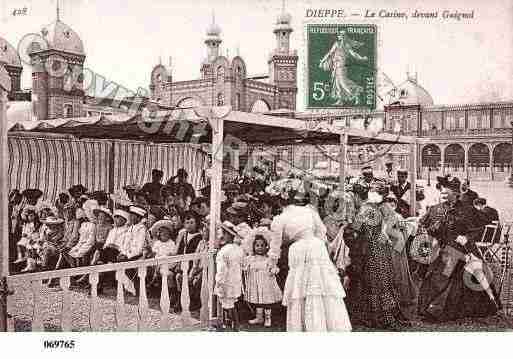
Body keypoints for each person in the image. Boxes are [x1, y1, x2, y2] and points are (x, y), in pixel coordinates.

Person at [269, 179, 352, 332]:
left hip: (299, 249)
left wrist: (272, 265)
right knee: (321, 285)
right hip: (316, 246)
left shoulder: (279, 219)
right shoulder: (309, 210)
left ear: (278, 201)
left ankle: (305, 326)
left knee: (301, 287)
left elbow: (275, 247)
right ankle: (326, 324)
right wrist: (318, 246)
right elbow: (322, 232)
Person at [418, 176, 499, 322]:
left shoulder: (468, 209)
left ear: (455, 193)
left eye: (446, 189)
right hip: (445, 251)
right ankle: (429, 308)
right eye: (441, 189)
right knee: (437, 278)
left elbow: (480, 227)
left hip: (464, 250)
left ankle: (453, 309)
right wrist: (433, 230)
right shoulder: (436, 209)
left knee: (467, 277)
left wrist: (467, 237)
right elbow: (424, 226)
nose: (442, 192)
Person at [348, 181, 407, 330]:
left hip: (371, 250)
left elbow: (354, 231)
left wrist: (347, 226)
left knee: (374, 283)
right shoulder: (378, 207)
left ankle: (377, 316)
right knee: (383, 281)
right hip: (382, 249)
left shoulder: (364, 210)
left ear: (356, 196)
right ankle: (387, 313)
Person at [381, 196, 418, 319]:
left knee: (397, 271)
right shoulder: (384, 217)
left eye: (390, 206)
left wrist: (397, 246)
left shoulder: (397, 217)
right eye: (386, 206)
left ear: (395, 206)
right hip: (387, 246)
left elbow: (404, 233)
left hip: (396, 248)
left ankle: (400, 298)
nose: (387, 208)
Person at [243, 227, 282, 328]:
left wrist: (273, 270)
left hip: (266, 283)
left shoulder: (268, 259)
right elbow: (246, 266)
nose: (259, 248)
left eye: (262, 245)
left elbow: (274, 268)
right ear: (253, 246)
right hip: (255, 282)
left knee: (266, 300)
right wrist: (246, 268)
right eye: (257, 245)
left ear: (266, 247)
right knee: (257, 299)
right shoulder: (251, 258)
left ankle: (268, 318)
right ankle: (259, 317)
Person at [318, 29, 368, 105]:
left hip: (341, 67)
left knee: (343, 83)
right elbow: (330, 53)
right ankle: (340, 100)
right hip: (336, 67)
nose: (339, 37)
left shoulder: (346, 45)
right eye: (339, 35)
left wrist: (361, 58)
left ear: (344, 37)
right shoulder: (336, 44)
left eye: (340, 35)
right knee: (337, 84)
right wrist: (322, 61)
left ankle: (356, 95)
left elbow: (353, 54)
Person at [215, 221, 244, 331]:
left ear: (227, 235)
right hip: (236, 280)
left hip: (226, 281)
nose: (221, 236)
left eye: (222, 234)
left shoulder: (224, 251)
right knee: (229, 303)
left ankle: (235, 325)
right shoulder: (239, 249)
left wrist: (219, 281)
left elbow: (221, 269)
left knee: (227, 304)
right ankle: (228, 323)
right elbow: (243, 264)